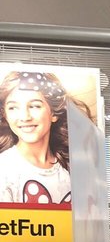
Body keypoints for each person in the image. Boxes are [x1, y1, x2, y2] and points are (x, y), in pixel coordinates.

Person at [0, 69, 92, 205]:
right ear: (5, 115)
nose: (25, 117)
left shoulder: (74, 167)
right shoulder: (3, 169)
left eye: (35, 106)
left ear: (54, 113)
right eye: (13, 108)